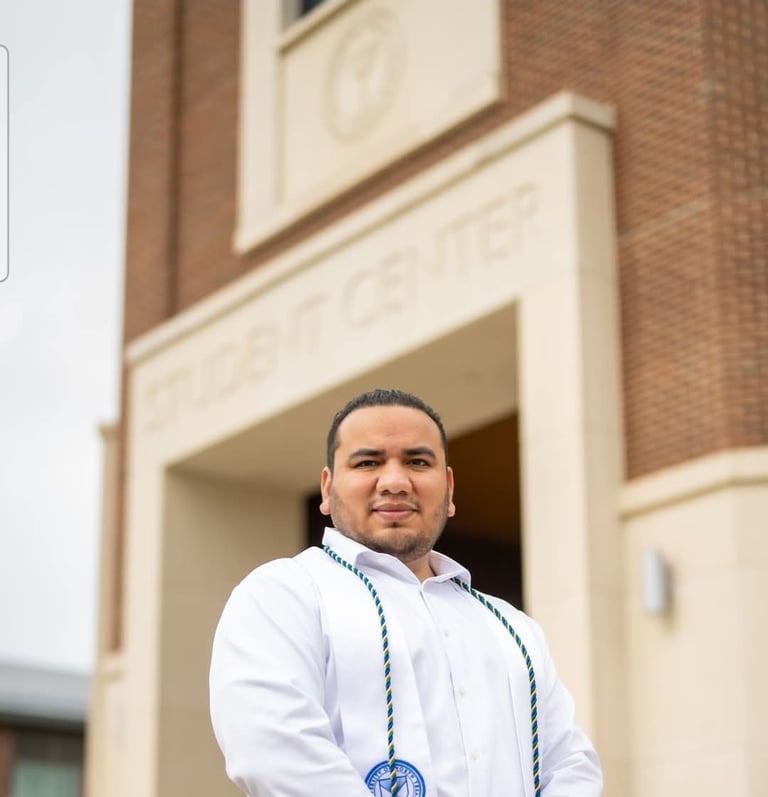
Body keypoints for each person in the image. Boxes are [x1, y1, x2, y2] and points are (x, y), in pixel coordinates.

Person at [209, 388, 603, 797]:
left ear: (448, 487)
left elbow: (571, 762)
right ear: (327, 488)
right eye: (368, 462)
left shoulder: (512, 626)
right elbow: (273, 750)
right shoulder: (283, 594)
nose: (395, 482)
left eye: (417, 461)